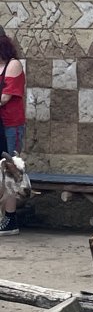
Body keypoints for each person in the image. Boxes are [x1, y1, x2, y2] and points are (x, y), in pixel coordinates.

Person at [0, 32, 26, 235]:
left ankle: (11, 220)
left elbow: (5, 98)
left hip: (11, 126)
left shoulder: (13, 65)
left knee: (11, 169)